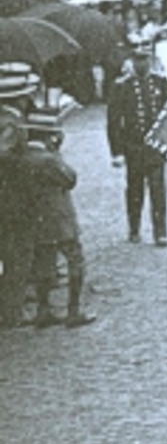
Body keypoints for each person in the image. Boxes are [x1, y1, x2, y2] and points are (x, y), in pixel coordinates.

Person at [19, 108, 93, 328]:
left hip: (35, 220)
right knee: (75, 260)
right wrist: (57, 152)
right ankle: (73, 310)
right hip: (59, 219)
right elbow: (70, 179)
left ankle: (44, 310)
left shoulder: (21, 158)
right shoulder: (48, 159)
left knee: (42, 264)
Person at [107, 40, 167, 245]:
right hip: (133, 147)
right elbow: (113, 122)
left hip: (155, 147)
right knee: (135, 190)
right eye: (137, 59)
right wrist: (117, 152)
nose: (141, 64)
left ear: (151, 60)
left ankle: (160, 232)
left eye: (145, 59)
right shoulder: (122, 87)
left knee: (158, 190)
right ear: (131, 61)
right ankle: (134, 228)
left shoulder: (161, 83)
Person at [0, 63, 39, 327]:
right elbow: (4, 154)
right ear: (20, 98)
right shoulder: (11, 123)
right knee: (17, 253)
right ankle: (12, 311)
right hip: (13, 196)